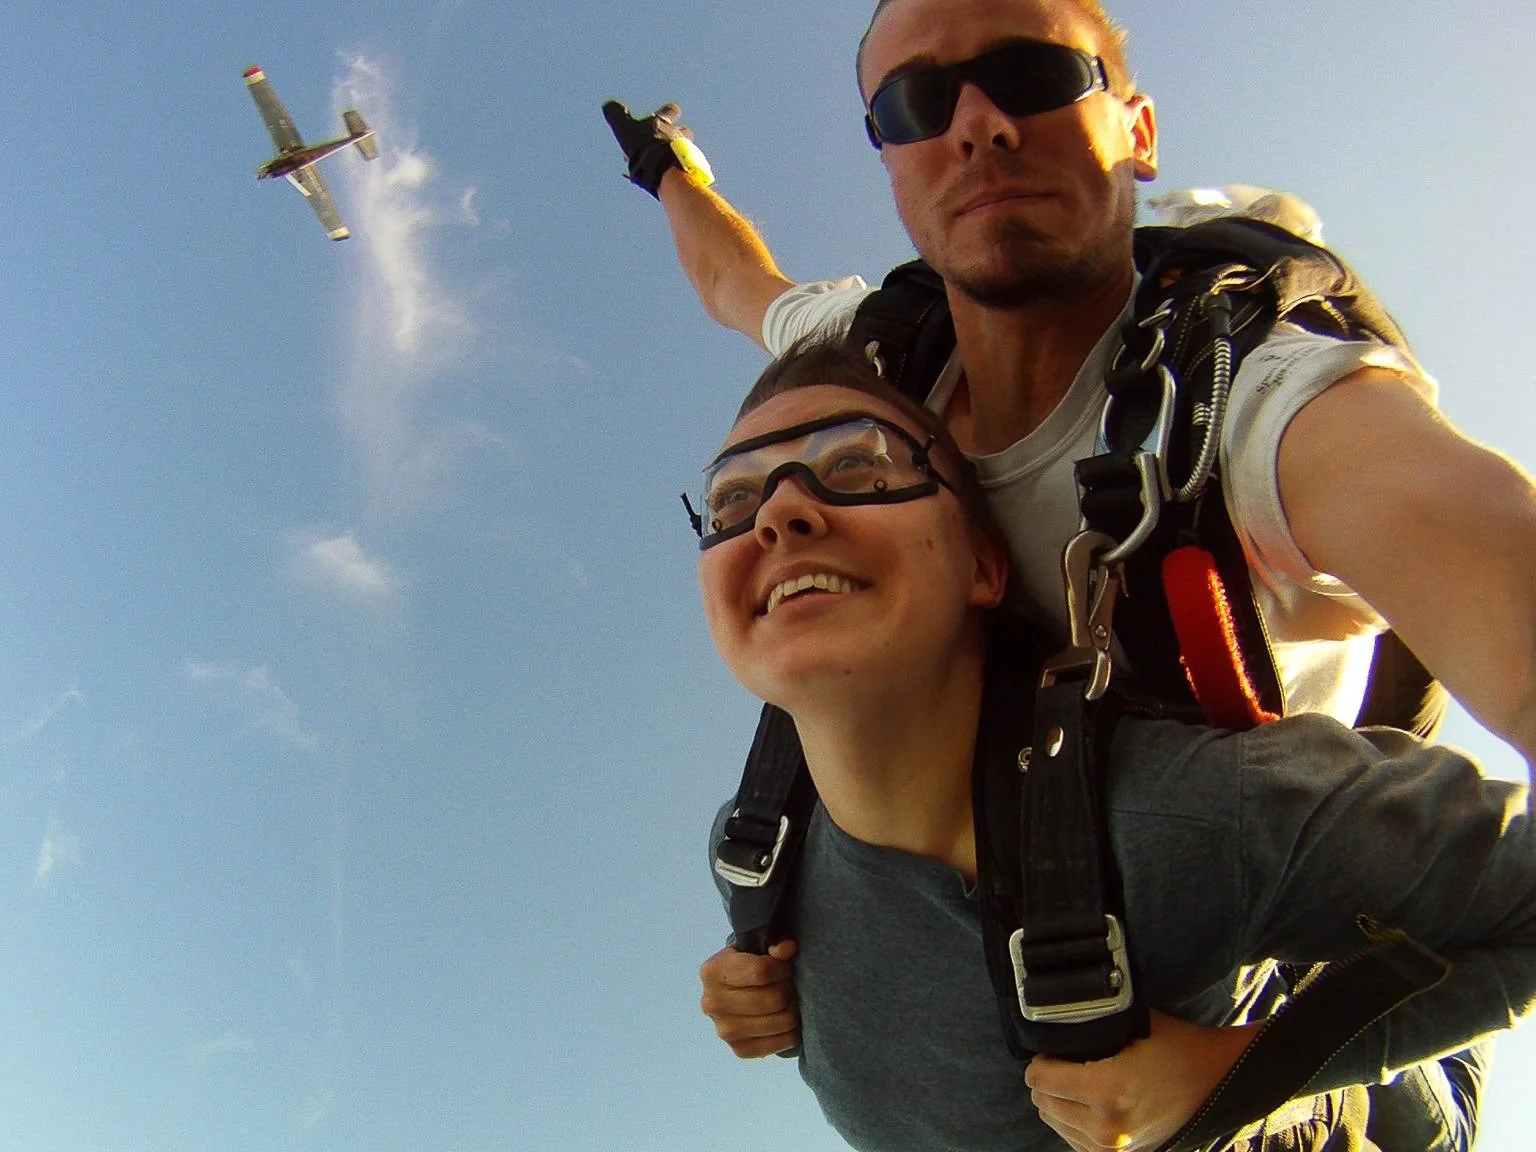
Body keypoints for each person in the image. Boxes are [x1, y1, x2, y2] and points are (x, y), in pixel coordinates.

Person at [604, 0, 1536, 772]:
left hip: (1251, 929)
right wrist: (664, 165)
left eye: (1036, 78)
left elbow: (1478, 555)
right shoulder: (881, 354)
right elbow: (735, 286)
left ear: (1139, 131)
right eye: (914, 104)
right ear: (888, 161)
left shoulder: (1250, 403)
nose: (976, 126)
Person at [690, 336, 1534, 1152]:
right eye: (732, 498)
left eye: (857, 464)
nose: (780, 513)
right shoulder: (756, 856)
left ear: (985, 566)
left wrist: (1240, 1070)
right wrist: (762, 982)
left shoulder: (1192, 820)